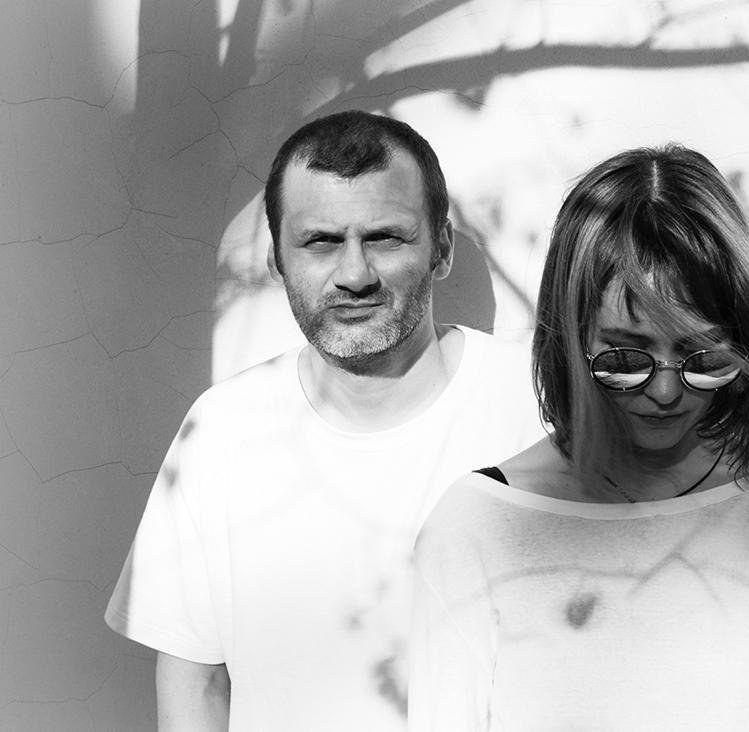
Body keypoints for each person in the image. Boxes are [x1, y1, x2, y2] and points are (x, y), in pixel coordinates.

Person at [408, 144, 749, 731]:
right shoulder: (474, 529)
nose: (664, 392)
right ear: (570, 336)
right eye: (626, 356)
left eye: (703, 356)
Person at [105, 110, 543, 731]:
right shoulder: (222, 433)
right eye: (321, 242)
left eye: (385, 237)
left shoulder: (539, 409)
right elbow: (195, 684)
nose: (355, 274)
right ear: (277, 260)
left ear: (441, 249)